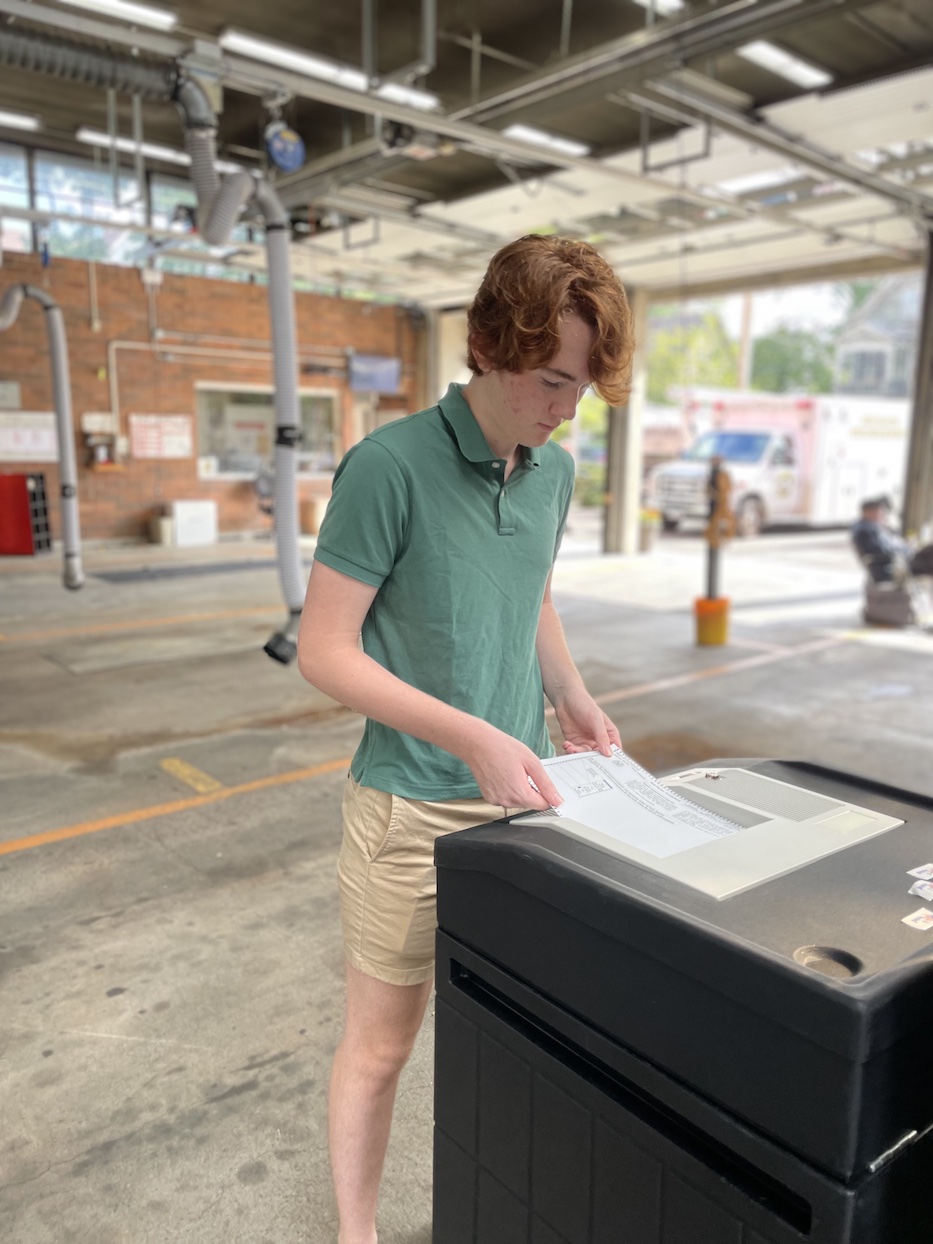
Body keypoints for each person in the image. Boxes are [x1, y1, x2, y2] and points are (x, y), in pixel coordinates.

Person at [296, 234, 635, 1244]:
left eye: (581, 385)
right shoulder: (386, 467)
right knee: (383, 1046)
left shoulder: (553, 470)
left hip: (523, 801)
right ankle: (356, 1234)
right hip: (409, 804)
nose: (567, 405)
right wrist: (473, 734)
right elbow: (323, 650)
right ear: (489, 346)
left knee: (521, 1035)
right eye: (550, 378)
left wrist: (568, 692)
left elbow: (530, 593)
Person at [851, 496, 933, 583]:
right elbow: (882, 550)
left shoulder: (868, 526)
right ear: (870, 511)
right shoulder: (866, 530)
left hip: (892, 561)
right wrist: (906, 549)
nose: (882, 514)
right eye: (880, 511)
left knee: (929, 551)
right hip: (889, 566)